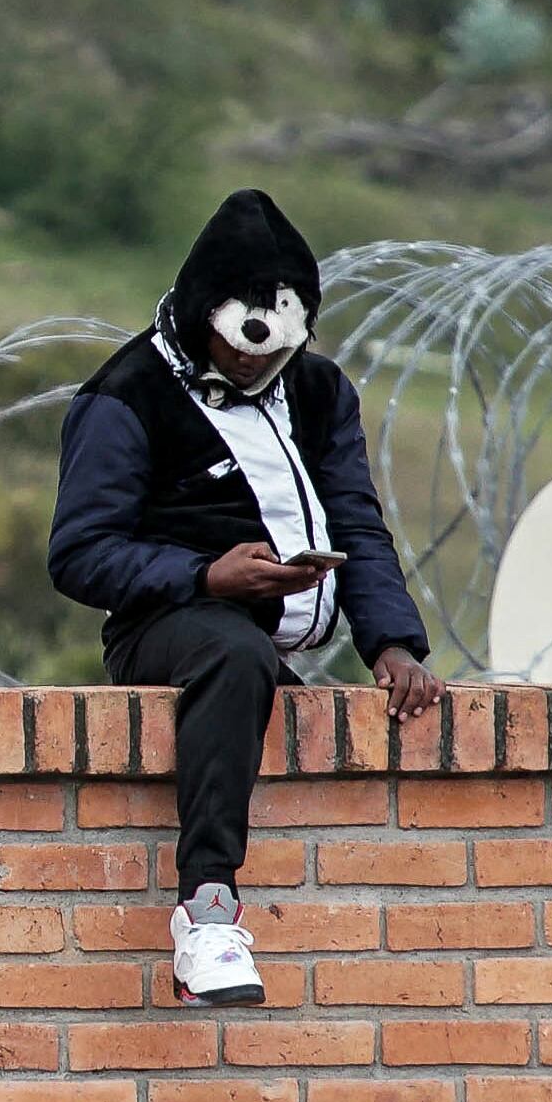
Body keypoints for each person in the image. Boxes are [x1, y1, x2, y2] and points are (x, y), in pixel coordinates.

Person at [47, 186, 445, 1008]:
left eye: (277, 348)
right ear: (203, 316)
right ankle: (208, 913)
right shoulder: (125, 394)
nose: (259, 362)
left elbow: (358, 522)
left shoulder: (321, 391)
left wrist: (393, 642)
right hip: (168, 629)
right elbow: (80, 553)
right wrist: (205, 577)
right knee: (233, 650)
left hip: (271, 652)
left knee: (263, 680)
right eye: (244, 346)